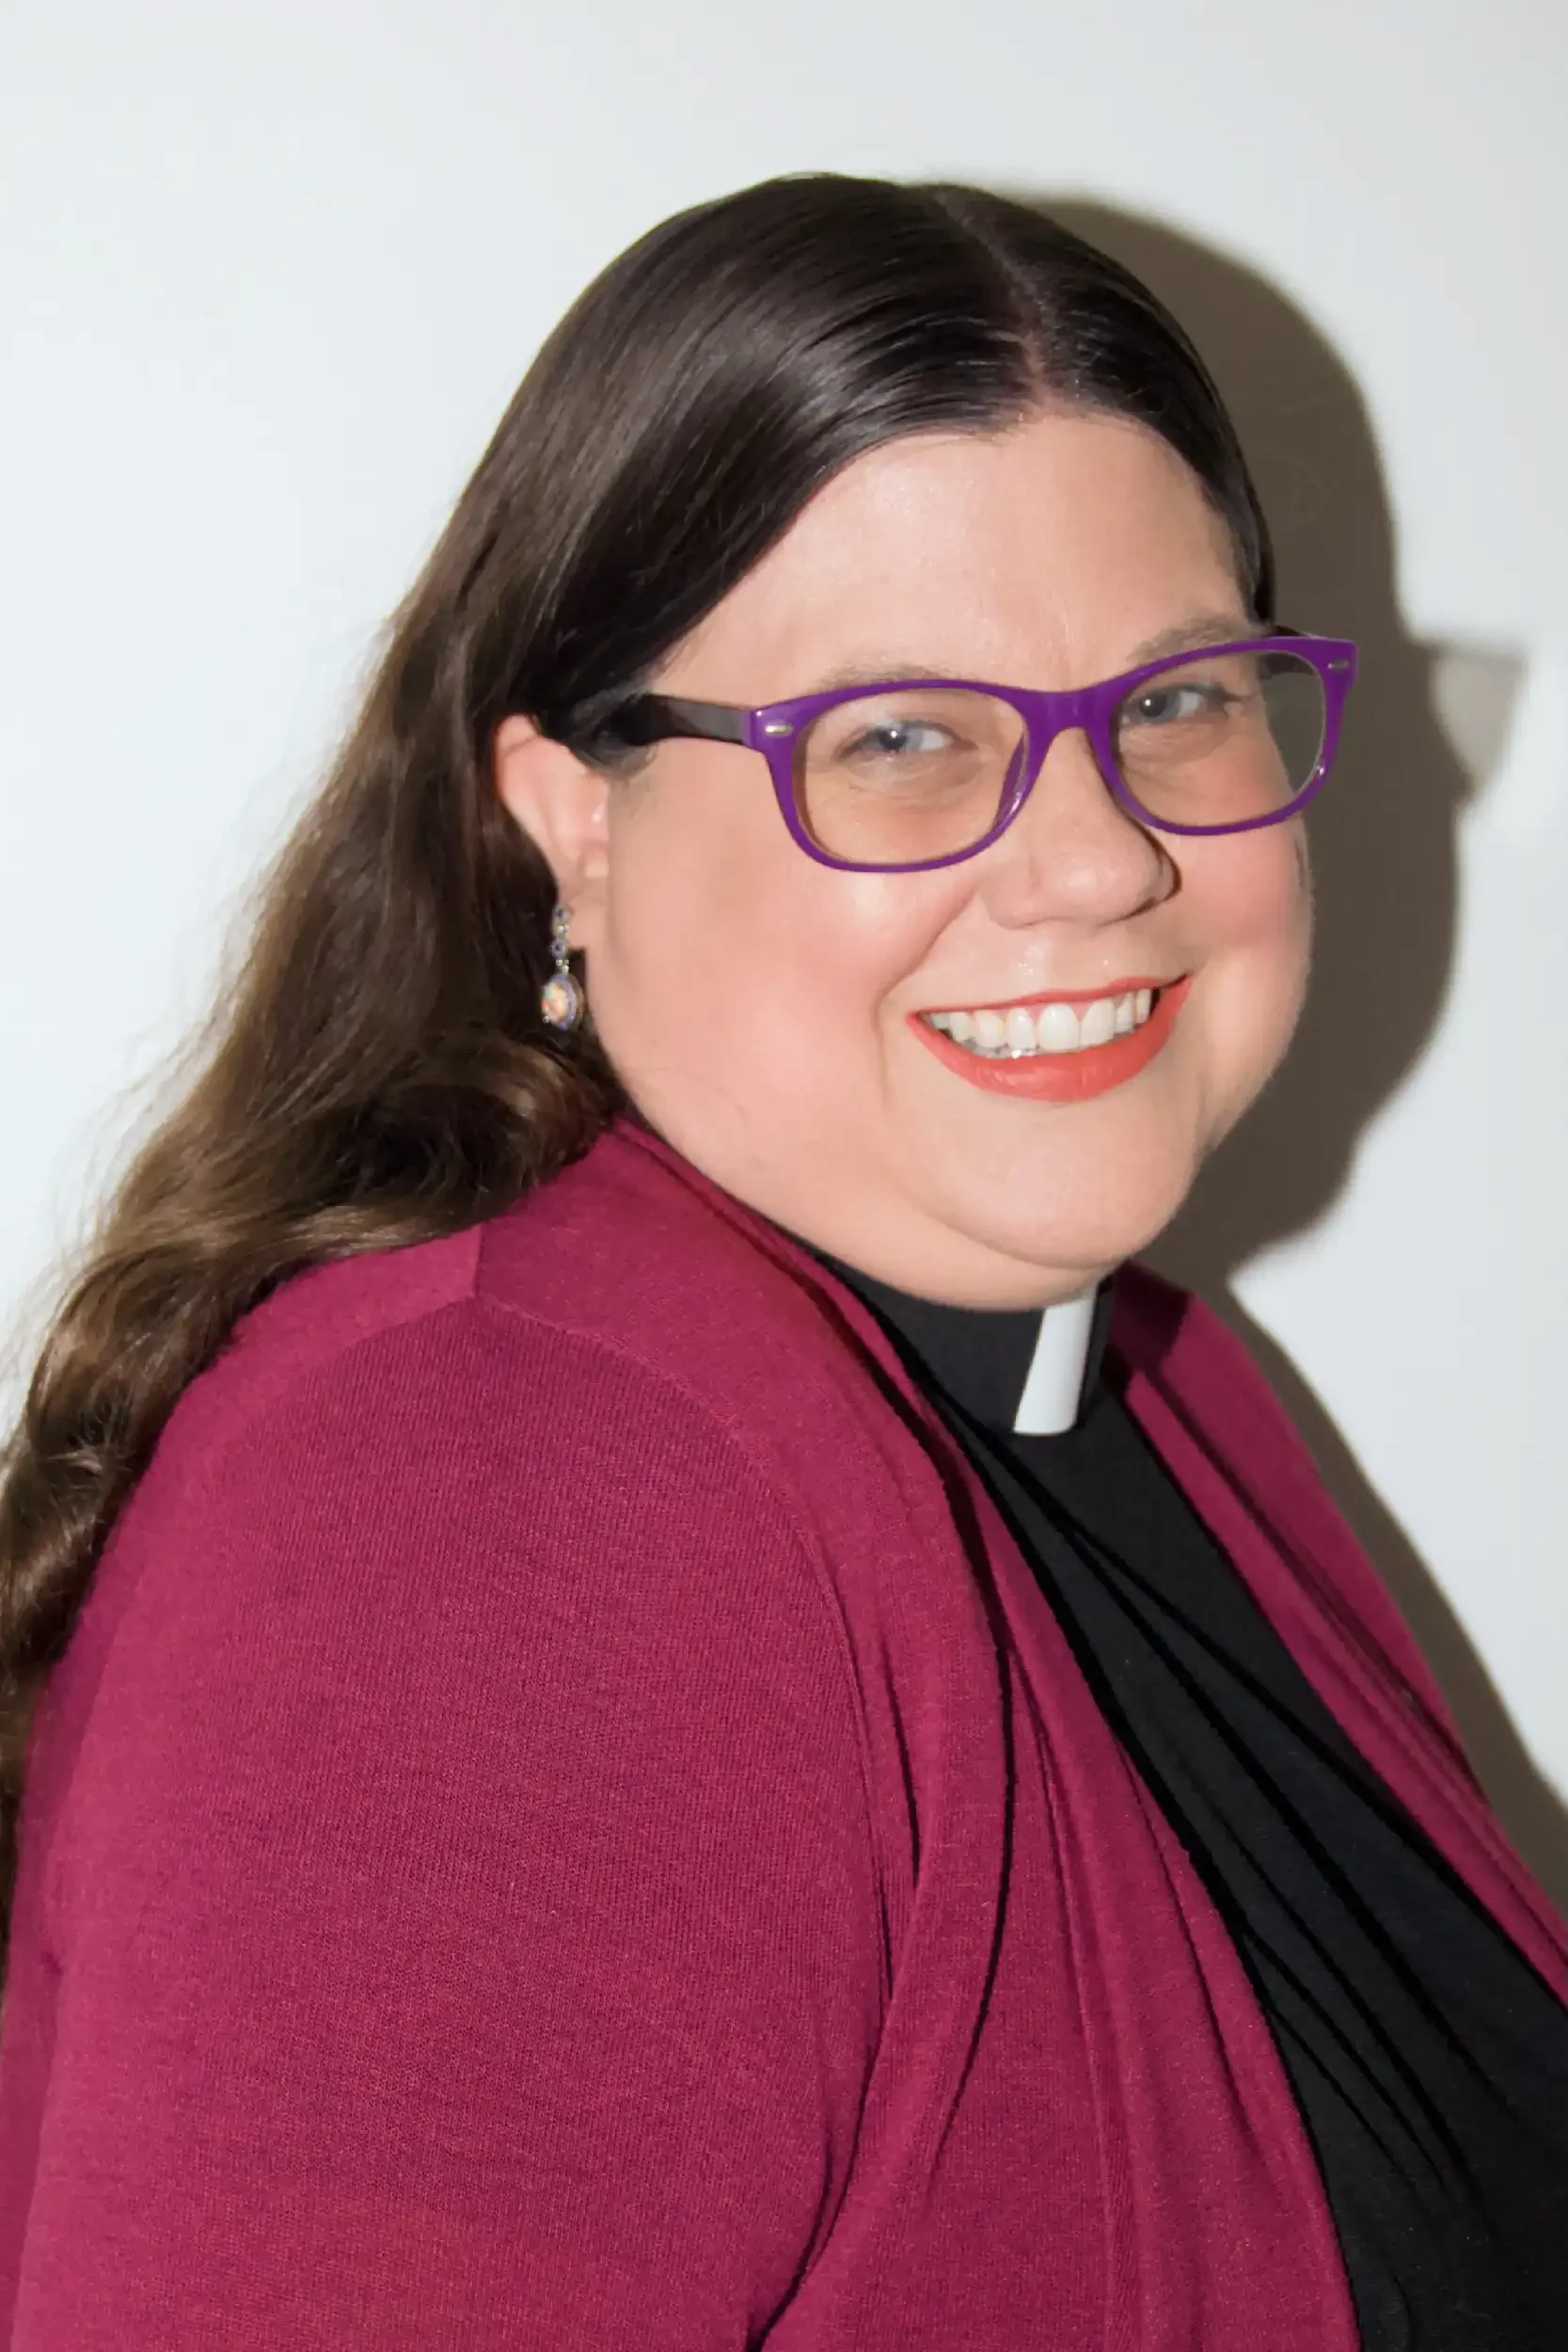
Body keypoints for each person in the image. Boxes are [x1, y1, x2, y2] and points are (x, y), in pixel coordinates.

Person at [0, 174, 1561, 2351]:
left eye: (1178, 702)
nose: (1100, 854)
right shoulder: (495, 1508)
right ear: (577, 813)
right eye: (901, 739)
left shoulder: (1150, 1385)